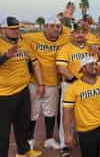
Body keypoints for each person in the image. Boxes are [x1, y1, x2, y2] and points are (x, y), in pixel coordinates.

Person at [0, 16, 43, 157]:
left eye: (17, 28)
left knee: (23, 125)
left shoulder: (23, 42)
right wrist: (5, 56)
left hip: (22, 91)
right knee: (1, 131)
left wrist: (40, 83)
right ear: (3, 29)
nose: (16, 31)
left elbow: (34, 62)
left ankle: (23, 151)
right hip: (1, 96)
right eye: (12, 29)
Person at [22, 17, 70, 150]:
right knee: (33, 112)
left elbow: (69, 31)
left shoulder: (64, 38)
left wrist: (64, 20)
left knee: (51, 113)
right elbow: (16, 36)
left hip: (54, 83)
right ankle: (29, 140)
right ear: (45, 27)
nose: (56, 29)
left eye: (58, 26)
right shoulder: (32, 37)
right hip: (35, 82)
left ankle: (49, 139)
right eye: (52, 26)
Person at [63, 56, 100, 157]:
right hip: (87, 129)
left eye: (96, 64)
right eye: (91, 64)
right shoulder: (73, 88)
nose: (95, 66)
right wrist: (68, 134)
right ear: (83, 68)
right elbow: (67, 113)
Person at [56, 22, 97, 156]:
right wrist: (76, 81)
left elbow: (95, 66)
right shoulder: (65, 48)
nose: (80, 35)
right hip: (70, 85)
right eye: (77, 32)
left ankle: (81, 137)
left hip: (87, 85)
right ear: (72, 34)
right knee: (67, 115)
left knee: (84, 113)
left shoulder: (90, 49)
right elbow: (61, 68)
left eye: (82, 32)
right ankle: (64, 145)